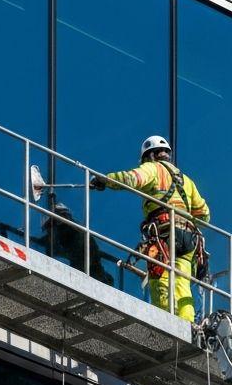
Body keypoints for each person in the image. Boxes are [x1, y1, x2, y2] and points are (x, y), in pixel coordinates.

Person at [90, 136, 210, 322]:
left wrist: (104, 180)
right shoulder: (187, 181)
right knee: (182, 283)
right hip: (188, 238)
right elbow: (204, 214)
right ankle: (187, 324)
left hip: (164, 234)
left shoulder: (153, 169)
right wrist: (184, 218)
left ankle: (166, 323)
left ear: (150, 155)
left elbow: (131, 179)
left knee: (159, 279)